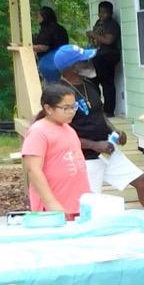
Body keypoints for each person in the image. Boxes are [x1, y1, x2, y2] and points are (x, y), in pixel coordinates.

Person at [54, 44, 144, 217]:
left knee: (143, 181)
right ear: (72, 67)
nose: (90, 62)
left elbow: (99, 114)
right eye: (84, 60)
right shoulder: (60, 94)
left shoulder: (89, 84)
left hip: (108, 151)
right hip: (85, 159)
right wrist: (94, 145)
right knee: (88, 204)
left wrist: (114, 131)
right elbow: (60, 134)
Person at [21, 82, 91, 219]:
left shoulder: (69, 129)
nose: (72, 112)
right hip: (56, 207)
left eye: (74, 107)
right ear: (48, 108)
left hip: (77, 204)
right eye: (66, 108)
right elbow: (33, 170)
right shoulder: (38, 131)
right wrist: (51, 202)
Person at [86, 1, 122, 114]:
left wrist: (93, 35)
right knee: (92, 82)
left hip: (107, 57)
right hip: (97, 55)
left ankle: (109, 111)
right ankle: (97, 108)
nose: (102, 15)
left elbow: (108, 40)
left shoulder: (112, 25)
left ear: (110, 13)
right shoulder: (99, 23)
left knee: (107, 84)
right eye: (100, 12)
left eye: (105, 12)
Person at [33, 6, 70, 82]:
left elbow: (44, 47)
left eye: (39, 17)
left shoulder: (47, 29)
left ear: (44, 17)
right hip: (63, 62)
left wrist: (30, 47)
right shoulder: (61, 29)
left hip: (49, 64)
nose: (37, 19)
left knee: (51, 86)